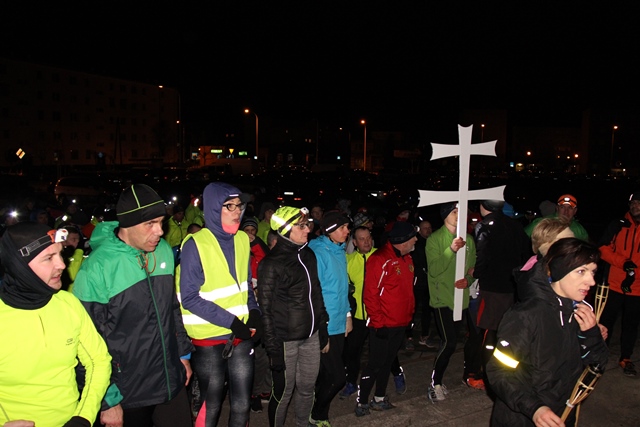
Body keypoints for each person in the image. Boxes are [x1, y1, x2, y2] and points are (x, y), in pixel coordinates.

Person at [73, 184, 194, 427]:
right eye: (150, 224)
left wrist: (183, 354)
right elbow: (84, 341)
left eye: (161, 222)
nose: (160, 231)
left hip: (169, 376)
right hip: (127, 391)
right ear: (128, 224)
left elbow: (172, 308)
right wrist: (107, 400)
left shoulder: (162, 251)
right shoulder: (97, 267)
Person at [487, 238, 608, 426]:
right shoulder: (526, 315)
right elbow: (500, 371)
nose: (591, 281)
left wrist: (591, 335)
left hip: (562, 413)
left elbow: (596, 367)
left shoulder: (580, 313)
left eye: (593, 272)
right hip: (522, 417)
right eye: (581, 271)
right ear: (559, 271)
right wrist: (535, 408)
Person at [0, 222, 112, 427]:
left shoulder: (68, 303)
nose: (61, 264)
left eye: (60, 254)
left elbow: (99, 361)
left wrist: (83, 417)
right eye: (48, 258)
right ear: (19, 266)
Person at [177, 182, 262, 427]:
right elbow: (190, 297)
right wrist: (232, 322)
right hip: (209, 339)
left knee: (242, 404)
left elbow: (245, 285)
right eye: (229, 206)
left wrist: (254, 312)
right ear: (214, 208)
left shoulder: (242, 240)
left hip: (241, 334)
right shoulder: (195, 244)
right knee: (211, 405)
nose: (237, 211)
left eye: (239, 206)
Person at [257, 206, 329, 427]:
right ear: (285, 230)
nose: (308, 229)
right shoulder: (271, 263)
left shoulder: (308, 255)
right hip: (285, 340)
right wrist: (274, 350)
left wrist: (323, 327)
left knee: (307, 388)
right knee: (283, 392)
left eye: (307, 225)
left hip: (310, 335)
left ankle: (302, 423)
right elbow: (266, 310)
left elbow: (316, 293)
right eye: (301, 226)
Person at [355, 221, 417, 417]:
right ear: (403, 241)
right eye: (413, 237)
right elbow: (370, 295)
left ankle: (379, 399)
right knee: (375, 364)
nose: (416, 240)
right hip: (383, 325)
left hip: (400, 323)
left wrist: (409, 316)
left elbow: (408, 291)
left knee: (388, 361)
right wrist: (378, 323)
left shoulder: (408, 258)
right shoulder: (379, 259)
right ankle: (362, 401)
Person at [472, 200, 530, 387]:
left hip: (492, 287)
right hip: (512, 286)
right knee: (505, 330)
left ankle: (485, 373)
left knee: (487, 330)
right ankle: (504, 370)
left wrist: (476, 272)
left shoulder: (484, 226)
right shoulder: (515, 225)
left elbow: (483, 255)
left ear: (484, 206)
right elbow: (526, 253)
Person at [426, 203, 476, 402]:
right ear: (445, 215)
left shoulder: (469, 240)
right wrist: (451, 250)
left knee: (451, 343)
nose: (458, 215)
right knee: (449, 342)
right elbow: (434, 269)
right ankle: (435, 383)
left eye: (460, 212)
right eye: (454, 212)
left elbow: (472, 269)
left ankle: (439, 380)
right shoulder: (435, 239)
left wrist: (468, 280)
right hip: (442, 299)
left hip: (460, 298)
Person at [308, 211, 353, 427]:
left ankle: (321, 416)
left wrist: (347, 315)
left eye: (347, 227)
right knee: (338, 378)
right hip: (325, 324)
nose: (347, 231)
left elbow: (342, 288)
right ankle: (315, 413)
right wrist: (322, 329)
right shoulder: (318, 253)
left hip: (338, 322)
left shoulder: (338, 250)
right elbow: (314, 294)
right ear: (330, 230)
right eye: (342, 227)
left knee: (327, 375)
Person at [598, 190, 640, 377]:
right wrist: (623, 262)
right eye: (633, 203)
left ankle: (626, 358)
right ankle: (600, 357)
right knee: (606, 322)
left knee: (631, 324)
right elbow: (602, 248)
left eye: (639, 203)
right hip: (613, 283)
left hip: (637, 287)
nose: (635, 206)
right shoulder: (618, 224)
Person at [412, 219, 438, 348]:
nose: (428, 230)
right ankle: (409, 336)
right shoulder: (416, 244)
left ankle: (425, 335)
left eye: (429, 227)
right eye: (425, 228)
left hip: (430, 282)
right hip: (418, 282)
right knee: (413, 308)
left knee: (427, 310)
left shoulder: (434, 242)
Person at [525, 194, 589, 242]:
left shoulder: (579, 229)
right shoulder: (542, 222)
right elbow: (521, 237)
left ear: (575, 211)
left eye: (570, 208)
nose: (566, 212)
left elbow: (587, 246)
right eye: (562, 207)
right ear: (557, 208)